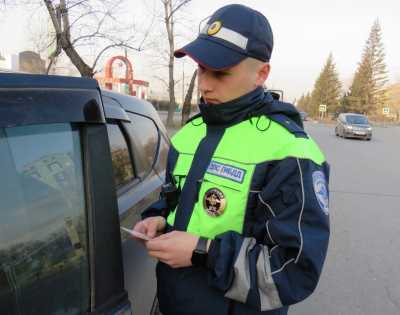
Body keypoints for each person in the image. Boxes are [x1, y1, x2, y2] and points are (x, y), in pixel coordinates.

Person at [133, 4, 330, 315]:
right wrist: (160, 219)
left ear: (261, 73)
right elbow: (177, 202)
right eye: (201, 69)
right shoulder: (189, 135)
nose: (205, 84)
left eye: (221, 72)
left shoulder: (290, 152)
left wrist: (202, 252)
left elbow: (292, 272)